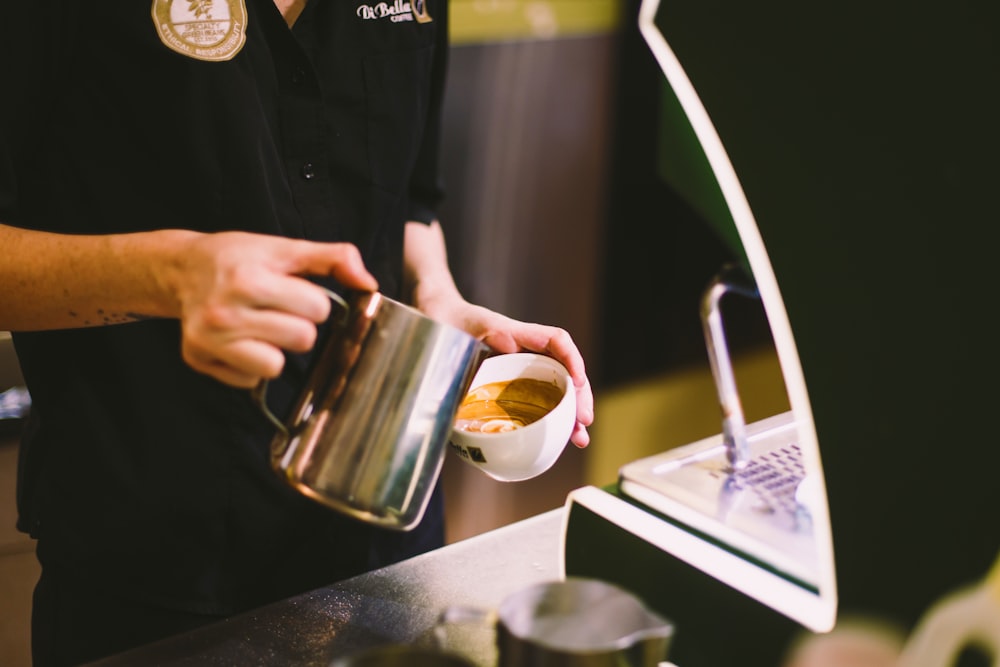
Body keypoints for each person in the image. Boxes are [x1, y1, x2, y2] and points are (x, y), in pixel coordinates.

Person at [0, 1, 594, 665]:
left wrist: (438, 296)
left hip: (385, 539)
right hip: (155, 558)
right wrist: (166, 275)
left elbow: (412, 200)